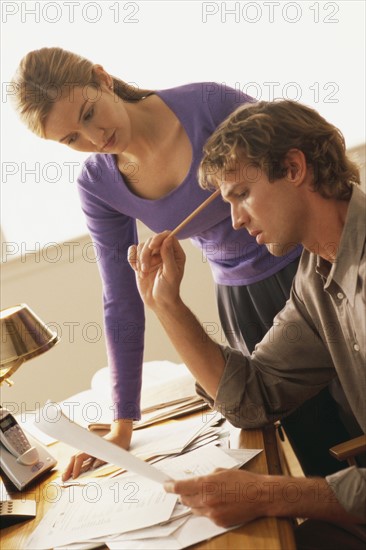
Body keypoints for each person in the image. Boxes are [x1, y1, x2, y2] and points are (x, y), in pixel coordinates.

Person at [12, 47, 349, 481]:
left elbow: (304, 166)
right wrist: (122, 423)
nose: (94, 138)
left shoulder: (209, 104)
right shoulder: (98, 185)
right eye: (72, 139)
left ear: (103, 78)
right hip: (244, 301)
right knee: (316, 449)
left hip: (311, 264)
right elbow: (121, 298)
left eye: (90, 113)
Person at [128, 99, 366, 548]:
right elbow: (253, 397)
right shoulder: (316, 274)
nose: (235, 220)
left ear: (295, 168)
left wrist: (271, 493)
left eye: (241, 194)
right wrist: (166, 305)